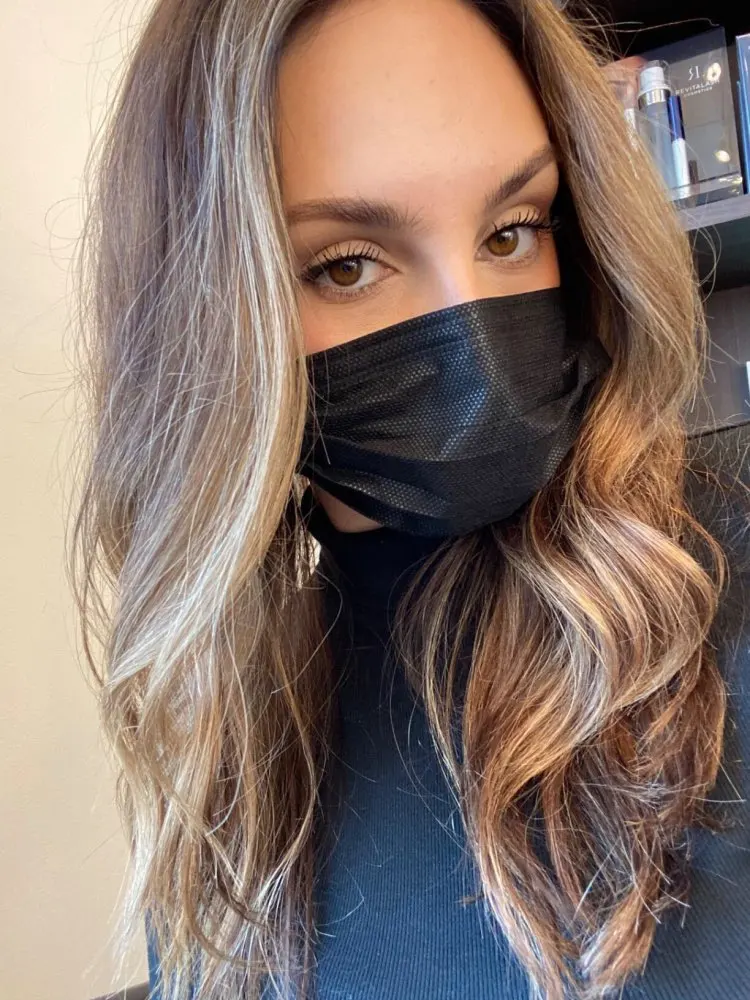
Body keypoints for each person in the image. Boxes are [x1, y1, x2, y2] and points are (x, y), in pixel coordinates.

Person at [68, 0, 750, 998]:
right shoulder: (233, 754)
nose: (478, 356)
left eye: (512, 231)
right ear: (209, 320)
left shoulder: (718, 582)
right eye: (347, 265)